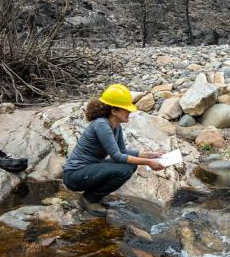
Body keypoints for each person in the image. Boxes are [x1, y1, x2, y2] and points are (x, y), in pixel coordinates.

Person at [62, 84, 165, 216]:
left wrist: (150, 155)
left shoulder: (116, 125)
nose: (129, 112)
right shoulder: (101, 124)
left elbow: (122, 151)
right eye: (126, 109)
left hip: (89, 170)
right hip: (74, 175)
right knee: (123, 171)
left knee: (130, 166)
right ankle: (88, 200)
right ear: (114, 111)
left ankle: (95, 196)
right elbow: (117, 156)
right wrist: (148, 163)